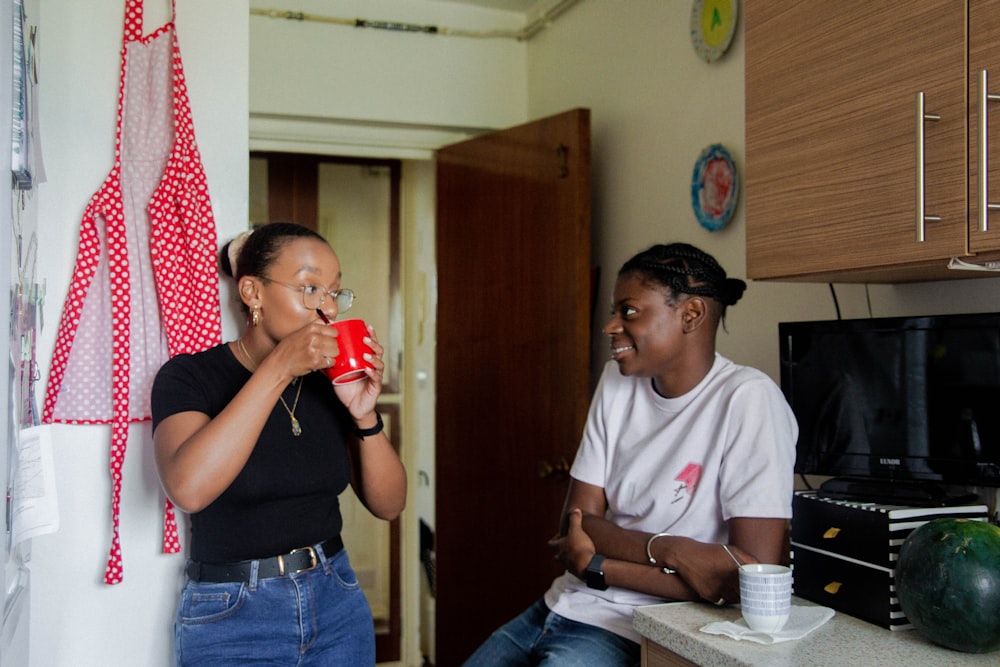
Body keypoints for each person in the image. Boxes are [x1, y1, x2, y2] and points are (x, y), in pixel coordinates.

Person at [464, 243, 797, 666]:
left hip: (637, 627)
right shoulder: (618, 381)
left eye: (629, 312)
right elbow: (575, 525)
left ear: (691, 314)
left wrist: (599, 567)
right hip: (561, 606)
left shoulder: (749, 400)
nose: (610, 326)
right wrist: (675, 551)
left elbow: (750, 579)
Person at [151, 222, 406, 666]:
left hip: (336, 600)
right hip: (231, 616)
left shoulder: (329, 386)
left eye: (334, 293)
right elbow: (188, 488)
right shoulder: (189, 376)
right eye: (309, 289)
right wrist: (280, 368)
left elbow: (390, 504)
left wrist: (364, 413)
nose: (327, 309)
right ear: (253, 292)